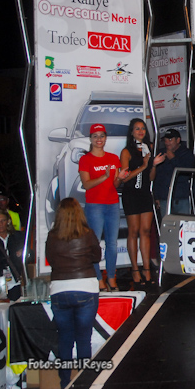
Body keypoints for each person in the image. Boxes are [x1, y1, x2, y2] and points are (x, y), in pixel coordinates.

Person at [45, 197, 101, 389]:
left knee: (65, 338)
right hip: (85, 287)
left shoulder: (52, 236)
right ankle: (85, 382)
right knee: (84, 339)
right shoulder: (88, 233)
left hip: (59, 289)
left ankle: (65, 382)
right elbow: (97, 256)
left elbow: (51, 260)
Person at [79, 123, 127, 292]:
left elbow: (115, 184)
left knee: (112, 244)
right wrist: (104, 177)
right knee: (95, 244)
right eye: (95, 136)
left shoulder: (113, 158)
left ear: (106, 138)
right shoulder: (85, 159)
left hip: (112, 204)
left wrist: (119, 178)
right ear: (90, 139)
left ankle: (111, 278)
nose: (99, 139)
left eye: (102, 136)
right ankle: (98, 279)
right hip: (95, 206)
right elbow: (86, 184)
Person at [120, 118, 156, 287]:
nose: (141, 131)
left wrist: (153, 165)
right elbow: (125, 177)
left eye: (143, 128)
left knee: (146, 231)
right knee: (133, 232)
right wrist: (142, 166)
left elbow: (151, 177)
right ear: (132, 132)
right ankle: (135, 269)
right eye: (137, 129)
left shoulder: (149, 148)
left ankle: (147, 269)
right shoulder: (126, 151)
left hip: (145, 194)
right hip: (131, 194)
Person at [153, 128, 195, 215]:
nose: (167, 142)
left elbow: (186, 174)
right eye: (165, 140)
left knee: (183, 222)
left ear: (178, 140)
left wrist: (173, 159)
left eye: (170, 139)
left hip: (181, 198)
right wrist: (156, 196)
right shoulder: (160, 154)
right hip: (165, 198)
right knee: (166, 223)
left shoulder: (187, 153)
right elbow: (158, 177)